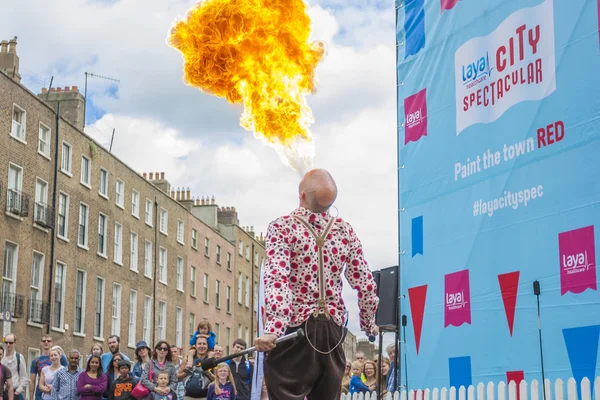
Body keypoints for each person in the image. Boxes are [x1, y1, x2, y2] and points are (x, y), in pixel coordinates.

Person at [254, 168, 380, 400]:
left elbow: (277, 277)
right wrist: (369, 321)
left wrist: (274, 328)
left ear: (301, 195)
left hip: (295, 331)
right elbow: (365, 282)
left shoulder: (283, 227)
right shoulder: (345, 231)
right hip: (332, 331)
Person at [30, 336, 68, 400]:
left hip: (58, 394)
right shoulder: (36, 361)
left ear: (51, 343)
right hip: (40, 394)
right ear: (41, 343)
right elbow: (32, 381)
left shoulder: (61, 357)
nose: (46, 342)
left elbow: (67, 374)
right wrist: (31, 397)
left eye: (48, 341)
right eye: (44, 341)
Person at [2, 334, 29, 400]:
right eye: (6, 342)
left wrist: (17, 391)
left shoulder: (19, 357)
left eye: (10, 343)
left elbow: (24, 378)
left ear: (15, 343)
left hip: (15, 392)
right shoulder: (1, 357)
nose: (8, 345)